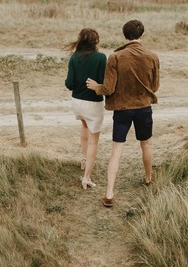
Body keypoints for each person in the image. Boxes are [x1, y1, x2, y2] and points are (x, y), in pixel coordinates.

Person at [86, 19, 160, 208]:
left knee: (116, 152)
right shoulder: (152, 56)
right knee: (145, 145)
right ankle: (148, 178)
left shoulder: (116, 57)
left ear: (124, 36)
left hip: (122, 110)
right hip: (143, 108)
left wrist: (96, 87)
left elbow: (108, 89)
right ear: (142, 35)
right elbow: (155, 86)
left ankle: (109, 194)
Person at [64, 28, 107, 189]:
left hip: (77, 102)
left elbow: (69, 84)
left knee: (83, 126)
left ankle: (84, 159)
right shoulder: (101, 57)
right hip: (93, 104)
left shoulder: (74, 57)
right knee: (93, 141)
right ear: (96, 42)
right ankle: (86, 177)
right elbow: (104, 82)